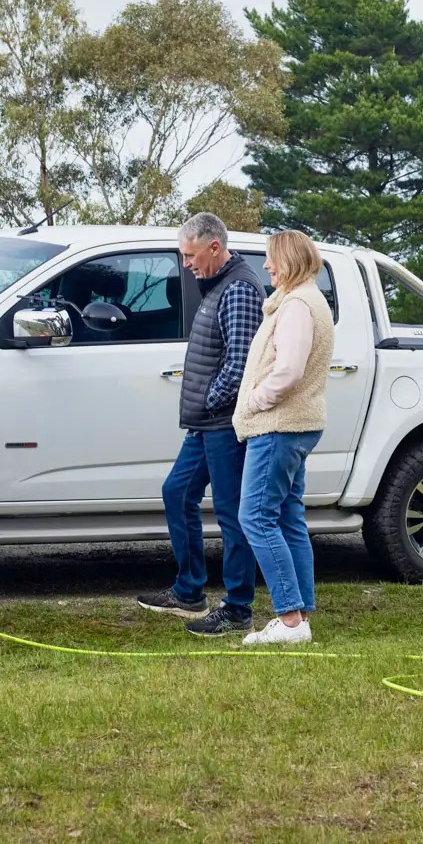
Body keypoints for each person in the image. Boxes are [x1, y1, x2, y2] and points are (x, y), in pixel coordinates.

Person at [136, 212, 267, 635]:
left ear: (215, 246)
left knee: (232, 515)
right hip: (205, 424)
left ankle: (238, 608)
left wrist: (210, 400)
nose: (186, 263)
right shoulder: (215, 285)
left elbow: (240, 362)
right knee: (177, 492)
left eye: (190, 255)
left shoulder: (239, 289)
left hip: (224, 423)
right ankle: (189, 591)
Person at [232, 230, 334, 646]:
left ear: (289, 260)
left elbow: (289, 371)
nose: (267, 266)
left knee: (255, 517)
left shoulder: (296, 306)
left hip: (279, 425)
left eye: (272, 259)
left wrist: (255, 399)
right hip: (296, 425)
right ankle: (300, 616)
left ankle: (289, 619)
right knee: (289, 517)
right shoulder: (307, 300)